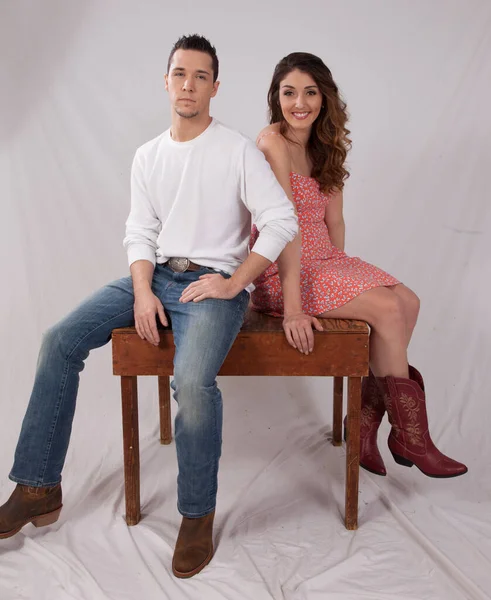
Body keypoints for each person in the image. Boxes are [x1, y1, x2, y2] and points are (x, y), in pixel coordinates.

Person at [0, 35, 298, 578]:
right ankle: (38, 486)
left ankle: (196, 515)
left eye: (200, 76)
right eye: (180, 74)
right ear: (166, 81)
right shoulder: (148, 155)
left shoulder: (236, 150)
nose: (188, 85)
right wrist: (140, 291)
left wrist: (235, 284)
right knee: (59, 340)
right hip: (155, 277)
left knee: (192, 381)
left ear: (215, 86)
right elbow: (140, 232)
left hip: (210, 285)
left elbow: (280, 219)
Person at [250, 52, 467, 479]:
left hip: (323, 259)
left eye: (310, 93)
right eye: (289, 92)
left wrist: (344, 273)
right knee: (386, 310)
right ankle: (411, 438)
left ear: (324, 98)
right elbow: (285, 228)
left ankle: (364, 427)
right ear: (276, 98)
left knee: (408, 302)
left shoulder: (324, 145)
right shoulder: (271, 142)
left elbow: (335, 221)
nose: (300, 103)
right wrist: (294, 307)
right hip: (282, 267)